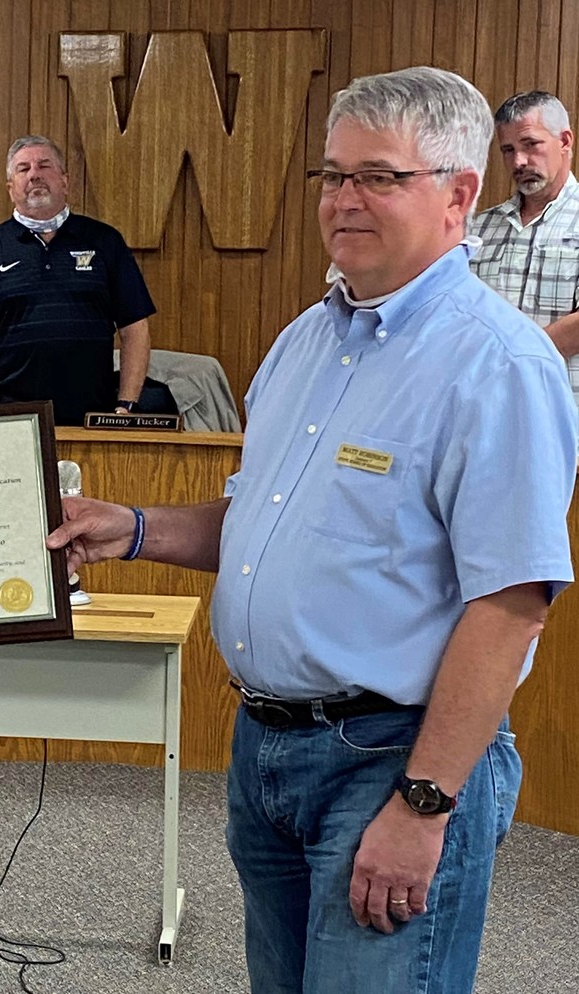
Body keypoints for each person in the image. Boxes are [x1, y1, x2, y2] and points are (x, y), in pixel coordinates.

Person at [47, 67, 577, 992]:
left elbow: (511, 605)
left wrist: (423, 802)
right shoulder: (304, 343)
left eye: (378, 176)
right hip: (267, 754)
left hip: (394, 760)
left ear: (459, 194)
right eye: (333, 175)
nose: (343, 199)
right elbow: (261, 525)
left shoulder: (498, 364)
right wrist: (129, 528)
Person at [0, 134, 155, 425]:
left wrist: (125, 407)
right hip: (14, 422)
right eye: (23, 169)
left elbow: (135, 329)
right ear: (10, 189)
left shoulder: (105, 241)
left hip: (93, 420)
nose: (34, 174)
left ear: (65, 181)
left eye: (44, 166)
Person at [470, 91, 579, 404]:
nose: (518, 161)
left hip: (564, 416)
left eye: (530, 144)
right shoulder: (479, 229)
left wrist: (511, 360)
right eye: (508, 150)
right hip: (488, 413)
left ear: (565, 141)